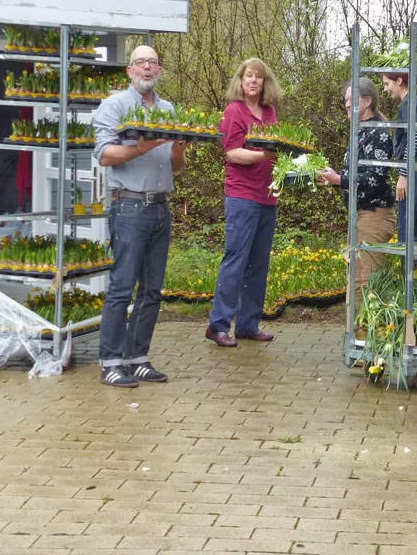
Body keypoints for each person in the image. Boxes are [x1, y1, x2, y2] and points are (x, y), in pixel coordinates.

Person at [93, 45, 188, 388]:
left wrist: (178, 146)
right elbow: (106, 155)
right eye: (140, 63)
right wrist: (146, 144)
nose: (147, 68)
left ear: (159, 70)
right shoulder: (115, 106)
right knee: (122, 288)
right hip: (129, 207)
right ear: (129, 71)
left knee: (152, 290)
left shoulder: (168, 110)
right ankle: (111, 362)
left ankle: (137, 358)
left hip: (161, 206)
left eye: (153, 63)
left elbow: (176, 165)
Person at [205, 58, 282, 348]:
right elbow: (232, 153)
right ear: (240, 81)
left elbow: (277, 145)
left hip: (267, 196)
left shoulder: (269, 111)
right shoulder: (233, 111)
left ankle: (248, 325)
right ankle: (218, 325)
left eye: (259, 77)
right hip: (241, 196)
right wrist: (265, 156)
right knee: (235, 261)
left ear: (265, 83)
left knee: (258, 263)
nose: (253, 81)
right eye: (248, 76)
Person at [317, 78, 395, 305]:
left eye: (352, 99)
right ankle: (357, 335)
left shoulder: (378, 133)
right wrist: (333, 177)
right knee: (356, 280)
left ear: (368, 101)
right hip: (359, 214)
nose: (347, 104)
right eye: (346, 100)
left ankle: (371, 338)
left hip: (375, 215)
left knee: (369, 282)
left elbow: (375, 178)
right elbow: (354, 173)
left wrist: (338, 180)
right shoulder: (358, 131)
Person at [382, 72, 417, 244]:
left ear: (399, 81)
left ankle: (411, 271)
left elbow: (413, 138)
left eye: (386, 84)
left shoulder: (408, 104)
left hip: (415, 174)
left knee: (407, 231)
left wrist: (404, 175)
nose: (385, 89)